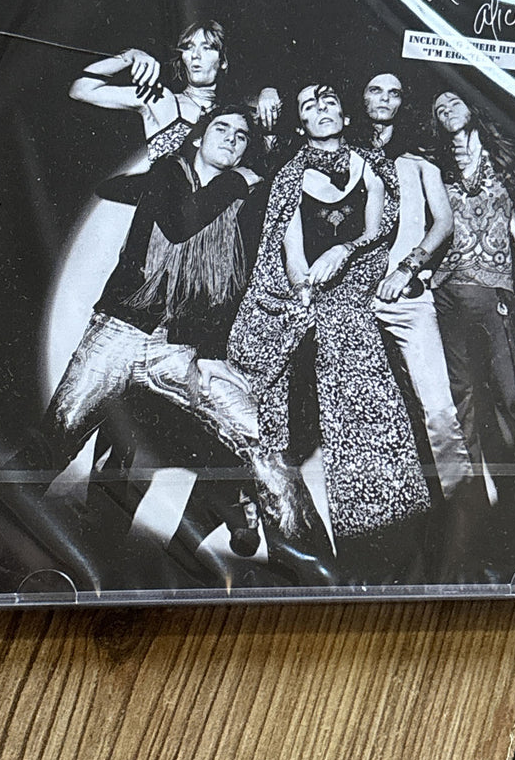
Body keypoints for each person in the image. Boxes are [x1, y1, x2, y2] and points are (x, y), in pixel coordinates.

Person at [35, 106, 335, 588]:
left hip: (182, 350)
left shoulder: (243, 202)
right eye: (222, 129)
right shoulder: (168, 175)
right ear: (198, 138)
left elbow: (234, 283)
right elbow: (180, 222)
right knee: (56, 437)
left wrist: (211, 354)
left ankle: (318, 577)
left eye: (242, 135)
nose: (232, 139)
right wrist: (237, 180)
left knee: (265, 444)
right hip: (120, 333)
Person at [229, 83, 431, 586]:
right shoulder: (290, 176)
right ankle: (294, 545)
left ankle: (389, 551)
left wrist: (342, 253)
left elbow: (375, 234)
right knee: (277, 416)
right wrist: (304, 293)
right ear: (300, 124)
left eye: (329, 103)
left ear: (345, 115)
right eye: (309, 106)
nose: (320, 110)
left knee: (373, 419)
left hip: (355, 301)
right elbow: (291, 253)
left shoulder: (371, 165)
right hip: (307, 303)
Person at [429, 91, 515, 501]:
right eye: (439, 108)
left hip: (496, 296)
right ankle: (476, 503)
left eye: (454, 101)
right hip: (445, 296)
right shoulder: (435, 166)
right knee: (462, 399)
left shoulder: (508, 163)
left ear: (473, 106)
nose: (447, 110)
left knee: (512, 397)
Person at [359, 73, 476, 501]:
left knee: (439, 409)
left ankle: (464, 508)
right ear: (361, 97)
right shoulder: (346, 155)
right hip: (354, 301)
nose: (385, 99)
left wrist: (407, 269)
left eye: (394, 92)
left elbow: (443, 223)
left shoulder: (419, 160)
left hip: (406, 297)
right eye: (376, 90)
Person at [68, 19, 282, 162]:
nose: (196, 55)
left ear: (223, 61)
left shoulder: (235, 115)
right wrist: (129, 56)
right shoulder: (161, 100)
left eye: (207, 48)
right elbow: (81, 89)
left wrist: (271, 91)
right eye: (189, 48)